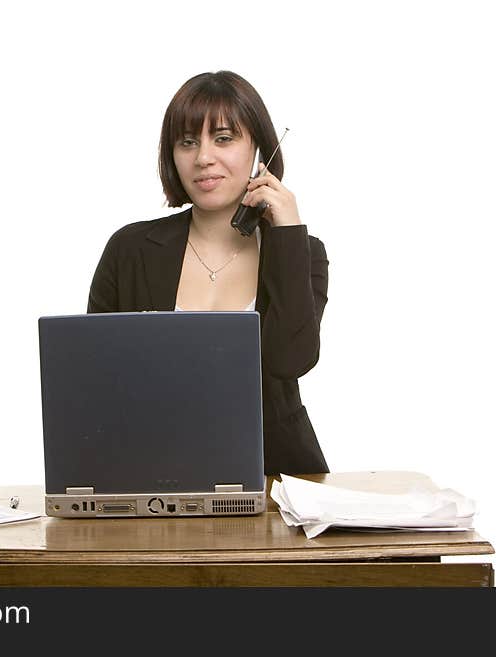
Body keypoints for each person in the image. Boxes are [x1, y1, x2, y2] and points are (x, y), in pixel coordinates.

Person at [87, 70, 328, 476]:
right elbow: (93, 382)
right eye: (187, 142)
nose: (202, 158)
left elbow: (291, 361)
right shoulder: (129, 250)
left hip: (277, 478)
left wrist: (287, 233)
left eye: (223, 138)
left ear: (259, 151)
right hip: (147, 475)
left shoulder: (301, 253)